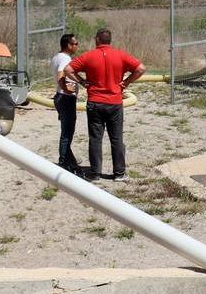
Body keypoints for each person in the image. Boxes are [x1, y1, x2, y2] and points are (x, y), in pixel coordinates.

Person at [64, 29, 145, 181]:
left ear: (97, 40)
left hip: (95, 102)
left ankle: (95, 174)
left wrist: (82, 81)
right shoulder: (120, 55)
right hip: (114, 102)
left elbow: (68, 69)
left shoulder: (89, 56)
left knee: (95, 138)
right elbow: (141, 68)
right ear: (110, 40)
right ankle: (119, 173)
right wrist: (126, 82)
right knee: (116, 139)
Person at [51, 34, 81, 174]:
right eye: (75, 44)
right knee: (67, 133)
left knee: (66, 131)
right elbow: (60, 75)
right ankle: (63, 163)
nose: (76, 46)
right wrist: (66, 88)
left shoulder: (56, 57)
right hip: (65, 99)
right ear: (68, 45)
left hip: (60, 98)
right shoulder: (65, 58)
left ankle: (70, 160)